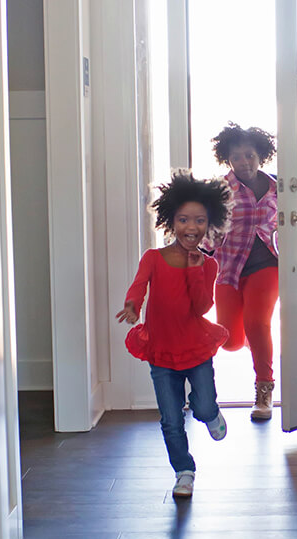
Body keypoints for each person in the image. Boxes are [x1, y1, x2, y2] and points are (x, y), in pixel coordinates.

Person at [116, 171, 232, 498]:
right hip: (162, 351)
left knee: (205, 407)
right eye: (183, 220)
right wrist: (133, 305)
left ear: (210, 225)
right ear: (171, 220)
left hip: (196, 348)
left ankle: (208, 413)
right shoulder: (153, 258)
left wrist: (196, 270)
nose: (190, 228)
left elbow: (201, 307)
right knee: (170, 420)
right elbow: (139, 285)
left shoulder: (208, 266)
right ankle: (184, 471)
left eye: (198, 221)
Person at [207, 122, 279, 421]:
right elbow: (207, 227)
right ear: (228, 159)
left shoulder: (278, 185)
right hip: (229, 268)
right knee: (230, 340)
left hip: (267, 264)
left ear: (261, 155)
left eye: (249, 155)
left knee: (257, 322)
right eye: (237, 157)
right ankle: (250, 338)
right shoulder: (219, 189)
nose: (244, 162)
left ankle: (264, 392)